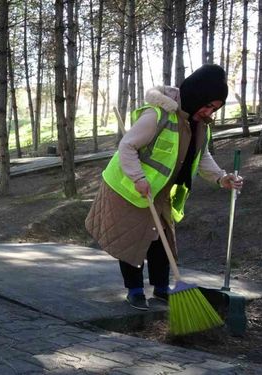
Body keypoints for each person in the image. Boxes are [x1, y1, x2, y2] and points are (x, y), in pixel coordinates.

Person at [85, 64, 244, 311]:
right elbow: (127, 146)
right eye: (208, 105)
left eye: (215, 108)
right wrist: (138, 178)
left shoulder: (200, 125)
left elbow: (201, 157)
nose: (209, 112)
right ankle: (135, 291)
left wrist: (221, 178)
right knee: (133, 240)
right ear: (197, 95)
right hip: (129, 187)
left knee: (162, 241)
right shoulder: (157, 115)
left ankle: (161, 289)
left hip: (160, 192)